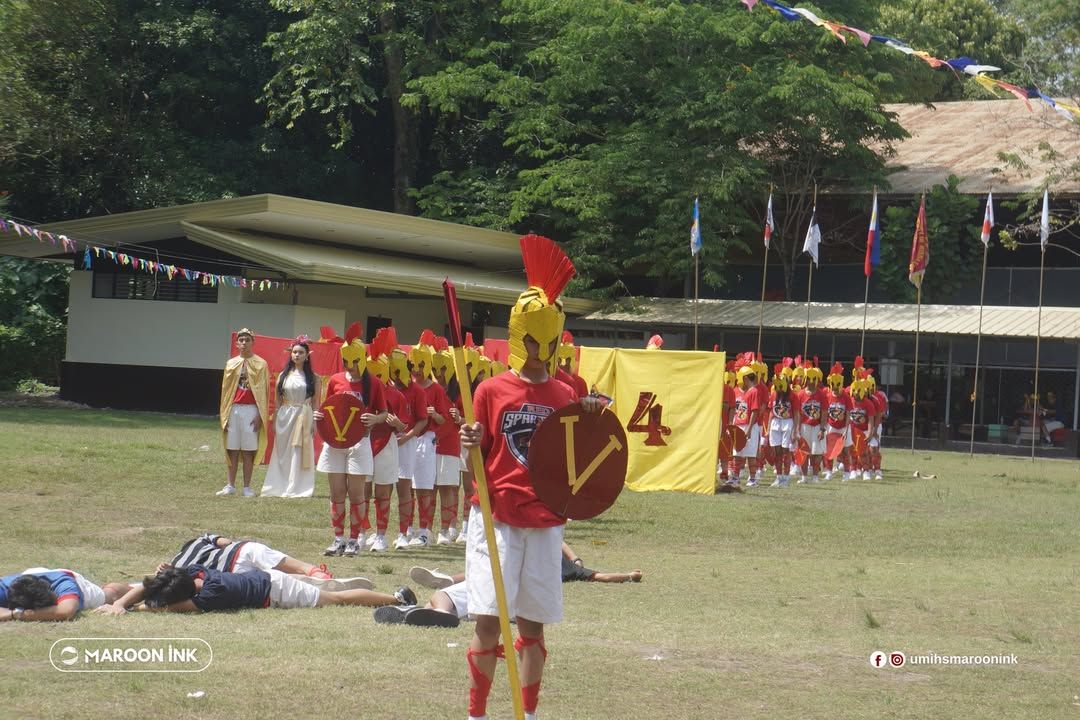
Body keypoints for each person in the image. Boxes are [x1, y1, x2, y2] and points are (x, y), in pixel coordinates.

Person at [459, 233, 601, 720]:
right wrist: (468, 445)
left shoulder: (565, 395)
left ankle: (530, 714)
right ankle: (477, 715)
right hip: (496, 519)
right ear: (519, 335)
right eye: (532, 340)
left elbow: (577, 467)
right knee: (487, 624)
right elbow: (474, 467)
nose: (539, 350)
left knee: (533, 628)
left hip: (544, 523)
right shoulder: (490, 391)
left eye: (547, 341)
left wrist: (591, 421)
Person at [314, 335, 387, 555]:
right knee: (336, 493)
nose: (350, 366)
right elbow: (329, 407)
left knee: (357, 495)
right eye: (346, 361)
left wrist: (374, 419)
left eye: (354, 361)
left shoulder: (373, 383)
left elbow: (384, 413)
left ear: (362, 359)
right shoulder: (335, 380)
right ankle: (338, 539)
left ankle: (354, 540)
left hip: (360, 442)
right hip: (335, 443)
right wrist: (320, 416)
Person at [108, 565, 416, 614]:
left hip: (278, 590)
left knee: (336, 599)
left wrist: (136, 608)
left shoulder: (210, 595)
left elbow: (168, 606)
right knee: (331, 594)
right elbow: (149, 585)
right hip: (267, 579)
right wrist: (119, 604)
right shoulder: (193, 573)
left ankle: (398, 598)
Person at [261, 337, 318, 498]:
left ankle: (296, 486)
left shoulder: (314, 378)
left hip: (303, 415)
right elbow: (278, 401)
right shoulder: (283, 375)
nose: (297, 355)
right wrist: (275, 419)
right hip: (285, 416)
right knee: (282, 452)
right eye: (294, 352)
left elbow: (316, 403)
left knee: (298, 450)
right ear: (291, 354)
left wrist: (314, 422)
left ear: (307, 356)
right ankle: (279, 484)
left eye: (301, 352)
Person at [217, 328, 270, 497]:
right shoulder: (231, 364)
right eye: (241, 340)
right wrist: (224, 414)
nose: (244, 343)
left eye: (247, 340)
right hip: (234, 408)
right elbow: (225, 391)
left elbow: (265, 392)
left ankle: (247, 487)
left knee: (248, 450)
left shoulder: (261, 364)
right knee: (231, 448)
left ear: (253, 342)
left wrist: (260, 415)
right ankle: (230, 485)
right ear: (236, 343)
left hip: (251, 409)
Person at [1, 568, 129, 621]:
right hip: (32, 574)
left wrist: (15, 614)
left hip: (70, 579)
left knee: (108, 595)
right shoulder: (5, 588)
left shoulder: (64, 585)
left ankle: (130, 588)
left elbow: (65, 611)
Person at [796, 359, 829, 483]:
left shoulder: (821, 395)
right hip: (804, 426)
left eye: (813, 379)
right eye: (809, 378)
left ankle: (815, 477)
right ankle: (804, 477)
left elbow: (824, 412)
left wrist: (822, 429)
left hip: (817, 426)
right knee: (804, 452)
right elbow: (797, 413)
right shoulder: (800, 394)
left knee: (817, 452)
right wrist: (797, 429)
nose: (811, 381)